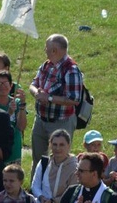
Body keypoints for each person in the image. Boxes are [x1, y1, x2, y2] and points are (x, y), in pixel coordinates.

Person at [28, 34, 82, 170]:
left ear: (54, 51)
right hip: (40, 120)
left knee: (60, 160)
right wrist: (37, 93)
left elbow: (74, 99)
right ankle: (36, 189)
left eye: (46, 48)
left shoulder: (71, 70)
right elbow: (33, 84)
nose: (44, 50)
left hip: (61, 122)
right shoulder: (46, 65)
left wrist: (49, 98)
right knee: (38, 161)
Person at [0, 70, 27, 165]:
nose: (2, 86)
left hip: (14, 150)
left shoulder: (17, 102)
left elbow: (21, 127)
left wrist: (22, 105)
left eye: (6, 83)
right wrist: (9, 113)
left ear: (11, 86)